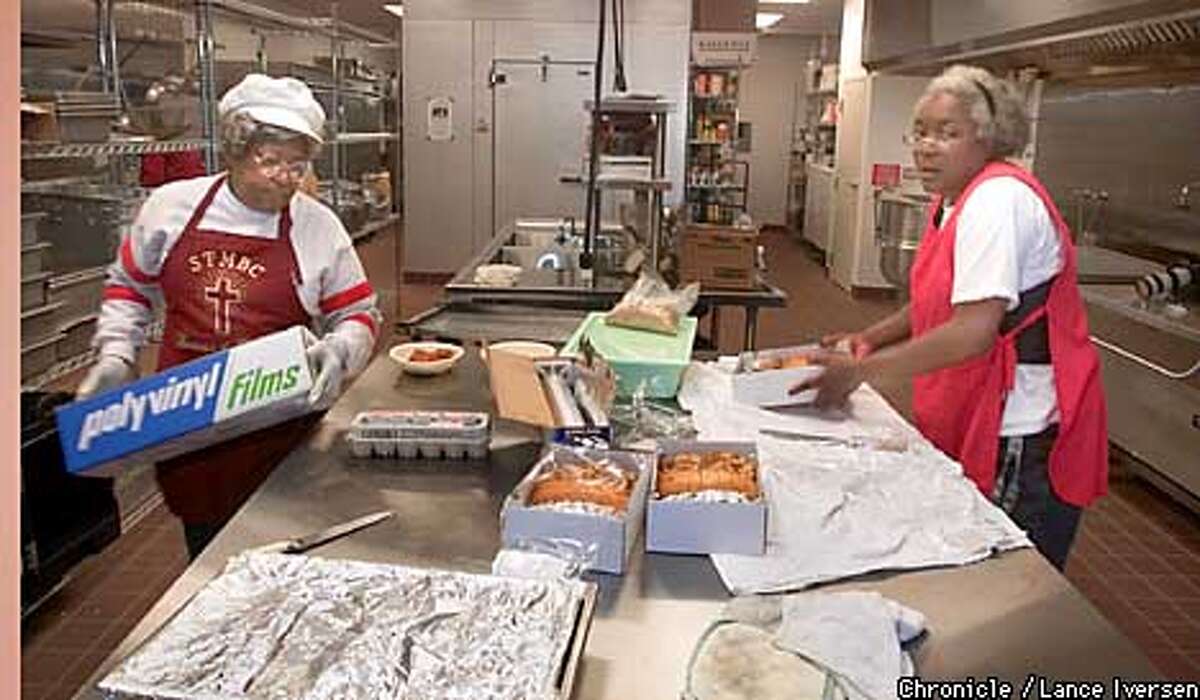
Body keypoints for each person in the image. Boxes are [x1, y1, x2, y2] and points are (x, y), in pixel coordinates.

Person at [791, 65, 1108, 570]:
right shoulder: (952, 201)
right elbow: (941, 300)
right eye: (920, 132)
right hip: (975, 406)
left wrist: (861, 373)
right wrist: (868, 336)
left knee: (1008, 577)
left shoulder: (998, 201)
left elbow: (973, 332)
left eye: (948, 133)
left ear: (988, 138)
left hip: (1019, 432)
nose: (927, 146)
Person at [76, 73, 382, 559]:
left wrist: (341, 350)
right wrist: (116, 353)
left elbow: (359, 314)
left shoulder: (316, 225)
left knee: (284, 545)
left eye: (297, 164)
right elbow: (129, 286)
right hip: (189, 415)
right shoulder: (172, 208)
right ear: (236, 149)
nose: (286, 177)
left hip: (280, 426)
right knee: (206, 548)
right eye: (270, 160)